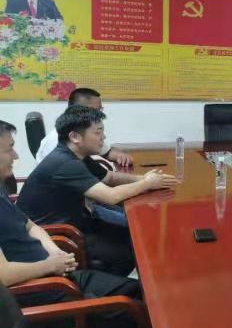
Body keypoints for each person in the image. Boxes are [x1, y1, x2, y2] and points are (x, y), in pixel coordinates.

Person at [0, 119, 142, 328]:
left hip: (53, 273)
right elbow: (3, 275)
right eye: (9, 149)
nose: (16, 155)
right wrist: (50, 265)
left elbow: (29, 225)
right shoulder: (61, 161)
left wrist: (53, 250)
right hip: (36, 290)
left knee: (135, 290)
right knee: (123, 308)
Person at [17, 106, 178, 276]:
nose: (104, 137)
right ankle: (105, 286)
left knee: (136, 235)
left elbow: (109, 178)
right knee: (133, 248)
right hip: (56, 236)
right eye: (98, 132)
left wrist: (143, 178)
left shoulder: (76, 155)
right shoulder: (65, 163)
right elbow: (111, 196)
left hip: (78, 221)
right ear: (74, 137)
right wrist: (147, 184)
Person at [36, 87, 134, 167]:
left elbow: (106, 152)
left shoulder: (85, 130)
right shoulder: (55, 142)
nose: (99, 114)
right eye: (95, 110)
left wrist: (121, 156)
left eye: (100, 110)